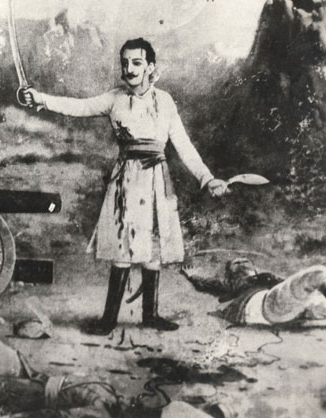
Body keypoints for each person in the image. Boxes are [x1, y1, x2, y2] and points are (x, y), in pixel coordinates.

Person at [24, 37, 229, 335]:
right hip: (127, 181)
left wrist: (206, 178)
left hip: (157, 181)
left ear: (150, 67)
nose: (129, 69)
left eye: (136, 62)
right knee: (123, 246)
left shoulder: (165, 101)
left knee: (153, 249)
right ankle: (108, 319)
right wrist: (40, 98)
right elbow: (77, 106)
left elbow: (183, 145)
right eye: (125, 63)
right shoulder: (114, 99)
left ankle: (150, 315)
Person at [181, 258, 326, 330]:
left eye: (244, 262)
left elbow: (291, 288)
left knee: (325, 302)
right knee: (319, 272)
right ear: (233, 273)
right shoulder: (237, 283)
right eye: (237, 264)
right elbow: (208, 284)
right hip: (264, 306)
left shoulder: (266, 277)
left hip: (286, 309)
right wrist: (192, 276)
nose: (242, 264)